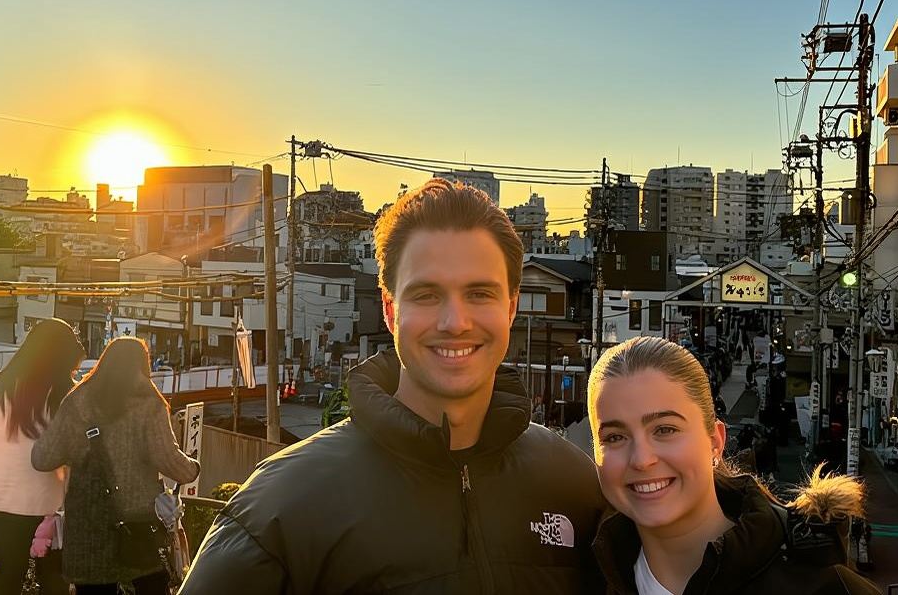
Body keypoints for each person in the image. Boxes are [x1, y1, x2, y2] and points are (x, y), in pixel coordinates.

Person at [181, 179, 605, 592]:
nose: (455, 322)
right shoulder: (284, 507)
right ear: (389, 309)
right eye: (426, 295)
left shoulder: (575, 486)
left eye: (479, 294)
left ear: (510, 307)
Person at [589, 336, 880, 595]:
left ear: (715, 441)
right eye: (615, 437)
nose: (641, 459)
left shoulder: (825, 585)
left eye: (665, 429)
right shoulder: (578, 574)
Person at [32, 337, 199, 595]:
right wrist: (193, 468)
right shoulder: (148, 403)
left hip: (88, 524)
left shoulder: (77, 400)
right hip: (138, 525)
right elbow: (168, 459)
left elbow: (43, 458)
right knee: (151, 586)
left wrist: (76, 449)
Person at [0, 318, 84, 595]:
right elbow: (76, 452)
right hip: (47, 503)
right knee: (54, 578)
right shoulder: (65, 394)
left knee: (8, 574)